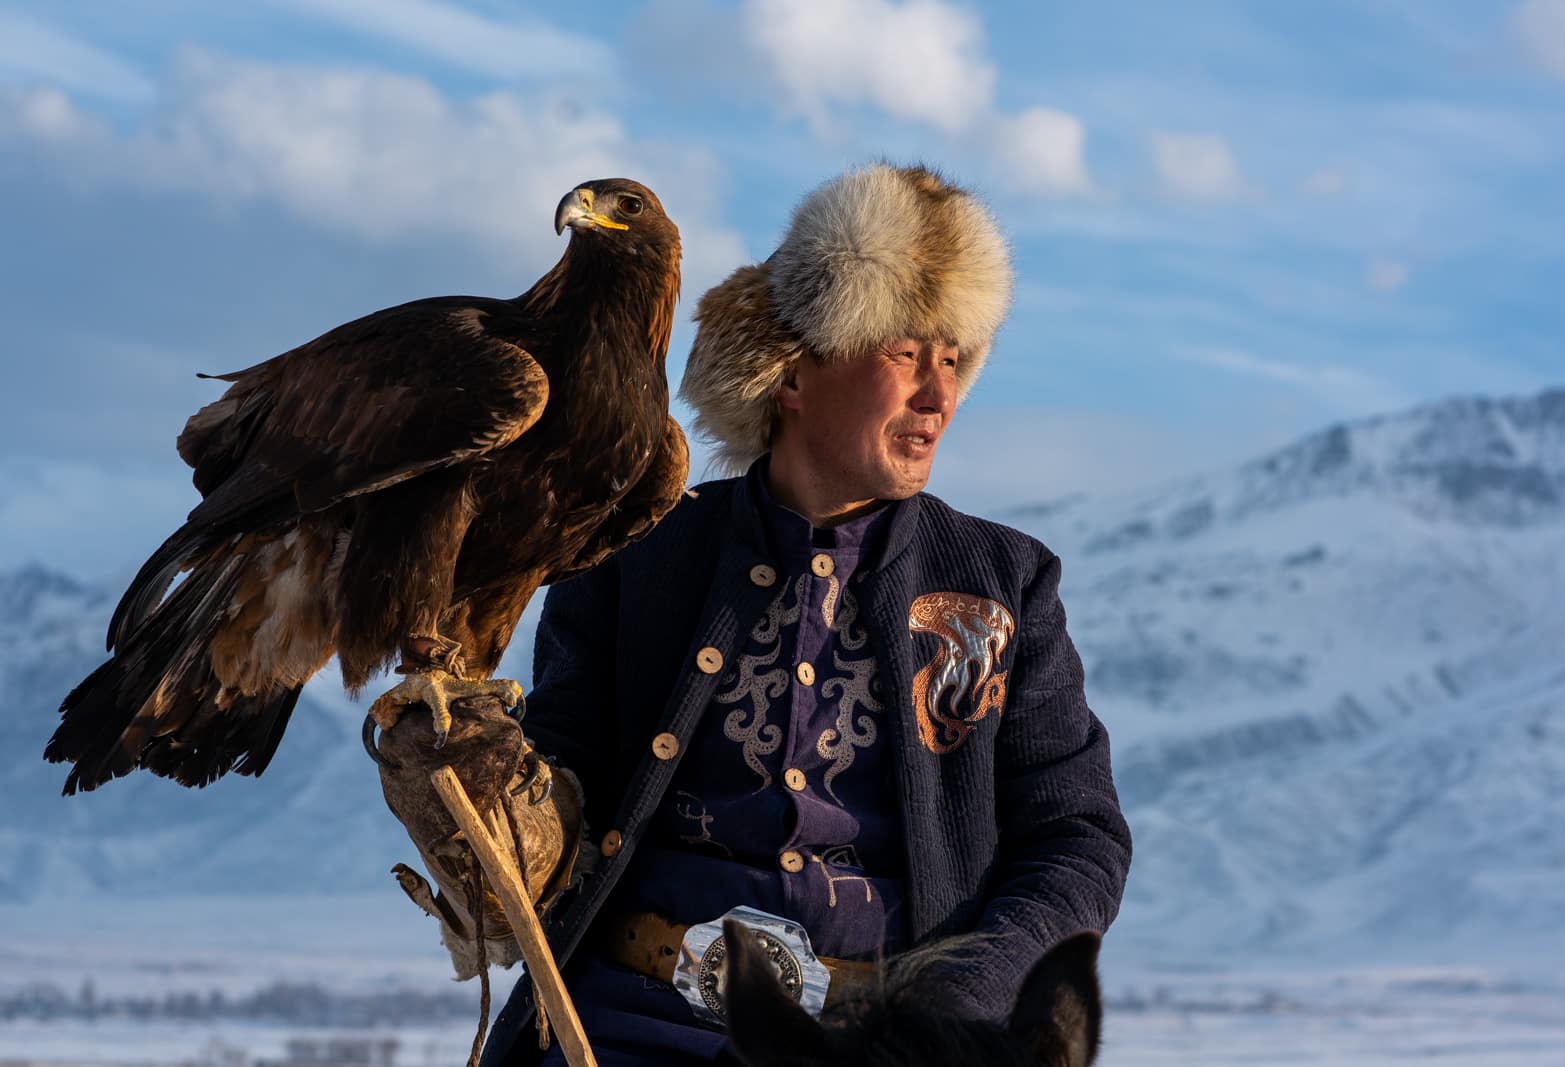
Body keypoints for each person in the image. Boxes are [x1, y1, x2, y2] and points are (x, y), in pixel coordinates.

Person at [385, 163, 1132, 1067]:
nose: (939, 392)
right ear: (790, 372)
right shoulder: (634, 547)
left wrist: (950, 1016)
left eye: (952, 355)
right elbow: (563, 781)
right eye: (903, 350)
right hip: (626, 1024)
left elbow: (1075, 836)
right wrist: (504, 810)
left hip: (887, 1047)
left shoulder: (1006, 581)